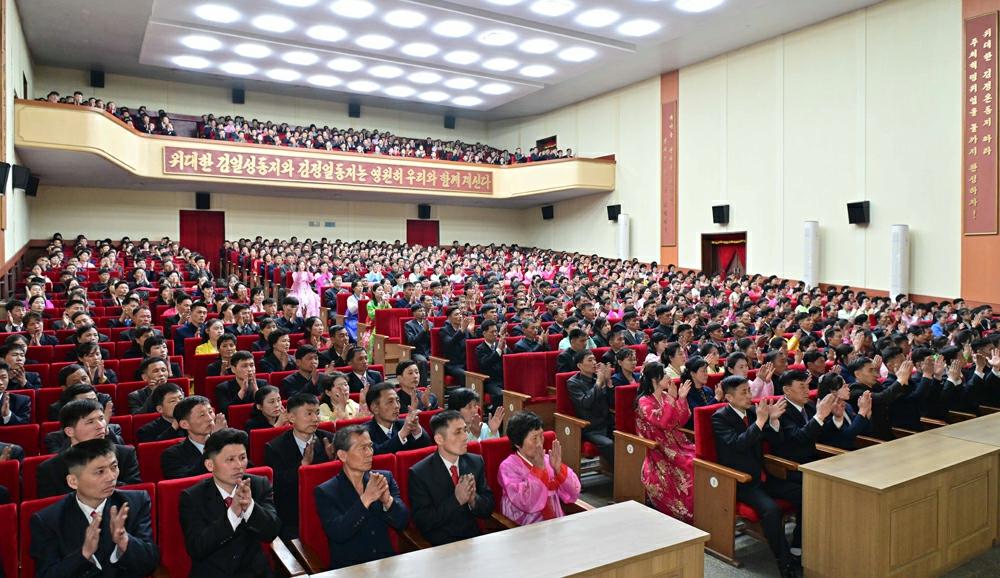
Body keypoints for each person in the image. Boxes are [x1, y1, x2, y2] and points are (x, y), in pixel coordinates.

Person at [30, 438, 160, 578]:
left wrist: (124, 541)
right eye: (100, 472)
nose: (111, 477)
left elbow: (150, 564)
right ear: (73, 481)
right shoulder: (47, 520)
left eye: (114, 467)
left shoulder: (135, 502)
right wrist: (84, 554)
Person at [712, 375, 800, 578]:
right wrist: (761, 421)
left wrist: (774, 420)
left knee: (803, 492)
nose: (749, 396)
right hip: (742, 481)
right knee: (771, 509)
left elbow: (775, 440)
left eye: (749, 391)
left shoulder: (752, 412)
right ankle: (785, 563)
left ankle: (798, 546)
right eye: (744, 392)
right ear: (729, 397)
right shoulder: (720, 418)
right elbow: (738, 444)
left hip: (763, 475)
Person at [179, 428, 281, 578]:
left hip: (255, 573)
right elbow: (197, 548)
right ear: (210, 465)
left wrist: (250, 507)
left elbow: (272, 532)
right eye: (230, 460)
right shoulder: (192, 497)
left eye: (242, 457)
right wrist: (232, 514)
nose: (239, 465)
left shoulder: (258, 485)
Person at [314, 424, 409, 568]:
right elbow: (339, 533)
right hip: (349, 568)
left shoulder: (384, 478)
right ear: (342, 455)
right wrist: (366, 498)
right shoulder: (326, 492)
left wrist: (387, 501)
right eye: (362, 448)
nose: (370, 453)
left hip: (385, 564)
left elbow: (402, 522)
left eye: (370, 446)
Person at [409, 410, 494, 545]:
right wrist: (456, 500)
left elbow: (488, 509)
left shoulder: (475, 462)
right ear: (439, 439)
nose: (465, 437)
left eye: (465, 430)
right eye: (458, 432)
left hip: (473, 540)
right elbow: (424, 522)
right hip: (440, 545)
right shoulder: (419, 473)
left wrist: (473, 499)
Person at [264, 393, 336, 539]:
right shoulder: (275, 447)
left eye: (317, 413)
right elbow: (279, 489)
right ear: (292, 418)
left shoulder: (329, 440)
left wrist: (333, 461)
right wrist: (303, 466)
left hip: (330, 509)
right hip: (294, 516)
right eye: (309, 414)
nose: (315, 419)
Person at [37, 400, 142, 498]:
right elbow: (53, 508)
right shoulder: (50, 469)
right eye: (90, 422)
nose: (100, 426)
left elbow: (134, 496)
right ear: (70, 431)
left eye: (101, 418)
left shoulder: (126, 454)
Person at [634, 362, 695, 523]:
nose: (669, 377)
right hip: (659, 446)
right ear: (655, 379)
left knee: (701, 458)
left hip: (676, 441)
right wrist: (673, 399)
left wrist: (681, 399)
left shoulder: (666, 396)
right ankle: (688, 510)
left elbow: (680, 421)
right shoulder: (644, 401)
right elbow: (661, 422)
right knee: (689, 465)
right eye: (665, 374)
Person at [498, 411, 581, 525]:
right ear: (517, 443)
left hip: (556, 523)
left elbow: (574, 492)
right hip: (524, 526)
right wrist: (539, 470)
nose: (539, 443)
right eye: (534, 438)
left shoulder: (549, 460)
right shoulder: (508, 467)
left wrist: (558, 469)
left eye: (541, 436)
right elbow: (527, 503)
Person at [773, 370, 836, 469]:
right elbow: (798, 438)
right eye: (802, 387)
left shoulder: (809, 404)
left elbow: (824, 433)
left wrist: (837, 417)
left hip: (814, 459)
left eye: (807, 386)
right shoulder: (780, 411)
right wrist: (819, 416)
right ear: (787, 390)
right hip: (793, 465)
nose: (807, 391)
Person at [161, 396, 227, 480]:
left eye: (210, 412)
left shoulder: (230, 441)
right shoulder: (172, 455)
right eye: (202, 415)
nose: (210, 418)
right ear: (184, 424)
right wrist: (213, 442)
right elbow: (188, 480)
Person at [566, 349, 614, 464]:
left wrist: (608, 382)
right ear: (579, 365)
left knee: (629, 439)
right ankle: (621, 471)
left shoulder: (597, 378)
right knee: (609, 444)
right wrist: (598, 383)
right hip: (591, 428)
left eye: (594, 359)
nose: (594, 363)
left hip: (608, 423)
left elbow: (611, 402)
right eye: (590, 360)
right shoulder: (573, 383)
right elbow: (586, 403)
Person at [847, 356, 905, 440]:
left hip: (886, 431)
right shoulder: (855, 391)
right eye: (871, 370)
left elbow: (891, 395)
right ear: (858, 374)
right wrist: (900, 380)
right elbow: (882, 397)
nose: (877, 375)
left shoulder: (875, 385)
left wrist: (904, 379)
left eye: (875, 370)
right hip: (871, 438)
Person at [364, 382, 431, 454]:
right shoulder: (364, 432)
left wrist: (417, 430)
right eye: (390, 402)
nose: (397, 406)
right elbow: (376, 453)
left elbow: (426, 447)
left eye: (397, 401)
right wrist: (402, 434)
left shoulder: (404, 424)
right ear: (375, 409)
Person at [816, 373, 872, 450]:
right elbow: (848, 436)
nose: (848, 389)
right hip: (838, 452)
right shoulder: (825, 411)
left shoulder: (847, 406)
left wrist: (867, 414)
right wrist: (862, 411)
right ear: (833, 391)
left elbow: (862, 431)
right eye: (844, 386)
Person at [474, 319, 506, 412]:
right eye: (492, 332)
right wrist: (498, 350)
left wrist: (505, 348)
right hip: (490, 381)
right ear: (484, 333)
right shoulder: (480, 349)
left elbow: (510, 360)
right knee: (499, 394)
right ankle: (495, 415)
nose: (495, 334)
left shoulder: (500, 344)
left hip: (504, 378)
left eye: (496, 331)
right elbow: (485, 364)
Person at [440, 306, 475, 386]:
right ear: (449, 318)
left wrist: (471, 331)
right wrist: (461, 330)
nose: (460, 316)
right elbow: (450, 344)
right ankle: (466, 393)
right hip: (453, 364)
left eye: (460, 314)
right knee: (463, 374)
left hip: (466, 362)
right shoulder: (444, 330)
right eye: (456, 314)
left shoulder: (466, 330)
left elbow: (472, 345)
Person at [402, 304, 431, 384]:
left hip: (429, 351)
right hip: (417, 352)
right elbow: (412, 341)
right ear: (414, 313)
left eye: (423, 310)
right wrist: (423, 331)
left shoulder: (430, 324)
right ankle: (423, 386)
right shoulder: (409, 325)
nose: (423, 313)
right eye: (420, 311)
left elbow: (433, 341)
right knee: (422, 361)